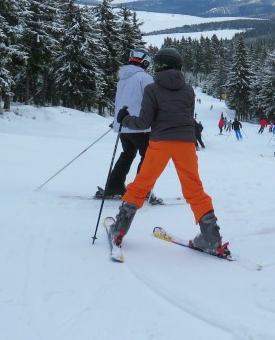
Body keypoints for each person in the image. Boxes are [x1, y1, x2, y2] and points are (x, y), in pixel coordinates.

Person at [107, 47, 229, 257]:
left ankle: (119, 230)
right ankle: (211, 238)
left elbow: (144, 122)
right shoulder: (189, 90)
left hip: (160, 143)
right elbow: (186, 117)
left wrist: (124, 118)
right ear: (179, 66)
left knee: (141, 185)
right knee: (194, 189)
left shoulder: (152, 89)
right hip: (186, 144)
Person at [95, 48, 153, 199]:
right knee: (148, 156)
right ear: (145, 62)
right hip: (140, 125)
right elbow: (152, 100)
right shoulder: (144, 77)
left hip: (123, 125)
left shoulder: (123, 78)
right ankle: (141, 190)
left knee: (127, 154)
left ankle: (114, 186)